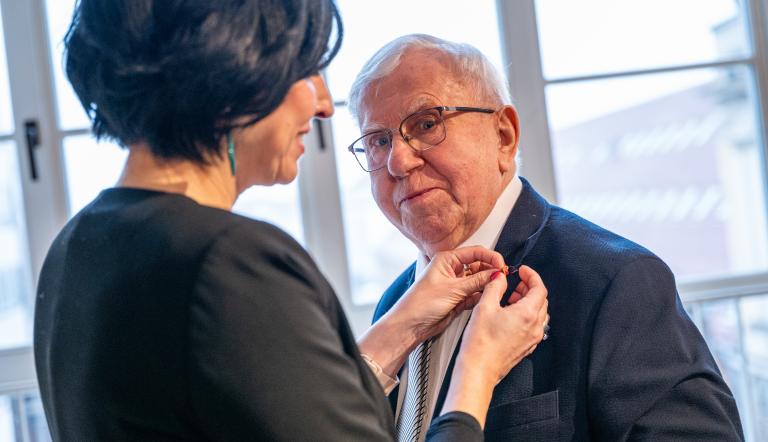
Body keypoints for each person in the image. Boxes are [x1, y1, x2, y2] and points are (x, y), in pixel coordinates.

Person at [33, 3, 550, 442]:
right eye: (307, 71)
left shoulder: (75, 248)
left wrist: (400, 327)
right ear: (234, 73)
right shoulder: (230, 266)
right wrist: (476, 372)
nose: (323, 105)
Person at [347, 34, 745, 441]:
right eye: (379, 141)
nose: (398, 161)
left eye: (427, 124)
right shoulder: (393, 305)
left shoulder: (615, 282)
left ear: (504, 135)